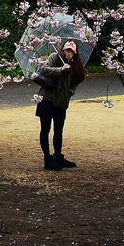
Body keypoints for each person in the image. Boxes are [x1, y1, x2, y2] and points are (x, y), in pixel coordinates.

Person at [34, 39, 87, 170]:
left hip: (62, 101)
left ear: (76, 50)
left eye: (73, 43)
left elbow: (76, 81)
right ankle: (47, 159)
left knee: (59, 130)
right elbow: (44, 69)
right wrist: (60, 69)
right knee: (45, 129)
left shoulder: (76, 65)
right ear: (63, 47)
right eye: (68, 42)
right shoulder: (55, 57)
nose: (70, 43)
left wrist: (70, 92)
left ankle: (58, 156)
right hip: (47, 98)